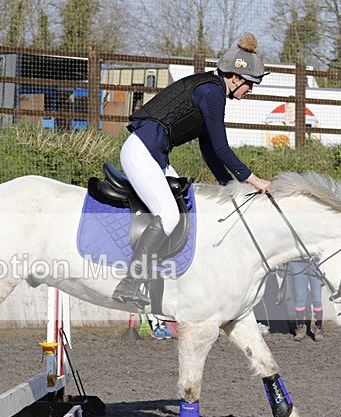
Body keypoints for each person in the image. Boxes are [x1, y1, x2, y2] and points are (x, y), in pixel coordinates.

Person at [112, 33, 272, 310]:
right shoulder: (212, 93)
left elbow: (209, 150)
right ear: (235, 78)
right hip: (141, 152)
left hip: (155, 154)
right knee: (169, 214)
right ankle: (129, 282)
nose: (251, 91)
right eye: (251, 84)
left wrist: (228, 186)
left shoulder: (210, 89)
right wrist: (252, 179)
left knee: (186, 207)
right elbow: (222, 149)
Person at [289, 260, 324, 341]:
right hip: (297, 262)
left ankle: (318, 329)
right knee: (300, 297)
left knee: (317, 298)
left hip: (315, 262)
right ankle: (301, 328)